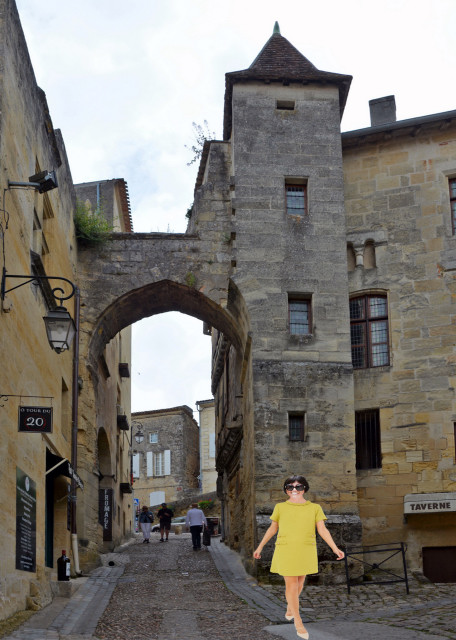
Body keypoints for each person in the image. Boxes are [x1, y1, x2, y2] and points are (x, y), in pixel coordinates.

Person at [253, 475, 344, 640]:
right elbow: (272, 529)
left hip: (305, 549)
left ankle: (290, 607)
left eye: (298, 487)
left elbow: (323, 530)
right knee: (292, 585)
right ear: (286, 490)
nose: (294, 490)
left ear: (305, 489)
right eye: (290, 487)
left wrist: (335, 548)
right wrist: (260, 547)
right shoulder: (280, 507)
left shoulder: (315, 508)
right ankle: (298, 622)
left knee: (300, 582)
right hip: (286, 549)